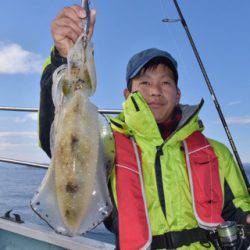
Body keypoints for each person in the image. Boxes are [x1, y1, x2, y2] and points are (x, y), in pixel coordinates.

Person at [39, 5, 250, 249]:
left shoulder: (216, 152)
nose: (155, 90)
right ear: (128, 94)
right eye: (145, 82)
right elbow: (57, 141)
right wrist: (62, 58)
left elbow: (237, 211)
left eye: (166, 82)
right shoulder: (107, 145)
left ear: (178, 93)